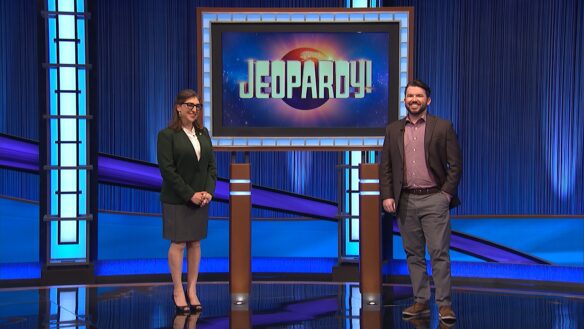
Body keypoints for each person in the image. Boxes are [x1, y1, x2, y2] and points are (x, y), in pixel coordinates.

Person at [379, 79, 462, 324]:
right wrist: (388, 195)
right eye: (410, 96)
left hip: (434, 199)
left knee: (439, 253)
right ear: (405, 100)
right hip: (405, 201)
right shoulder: (393, 130)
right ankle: (420, 301)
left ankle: (445, 305)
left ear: (428, 100)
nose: (414, 100)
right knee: (413, 254)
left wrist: (445, 195)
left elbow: (455, 166)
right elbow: (386, 167)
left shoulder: (443, 127)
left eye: (419, 96)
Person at [157, 89, 217, 314]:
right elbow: (168, 171)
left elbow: (212, 166)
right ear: (178, 108)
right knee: (179, 243)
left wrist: (208, 192)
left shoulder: (204, 133)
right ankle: (177, 290)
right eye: (190, 105)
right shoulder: (167, 135)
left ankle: (192, 290)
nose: (194, 110)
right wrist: (189, 194)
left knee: (195, 243)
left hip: (201, 199)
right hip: (177, 198)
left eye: (198, 106)